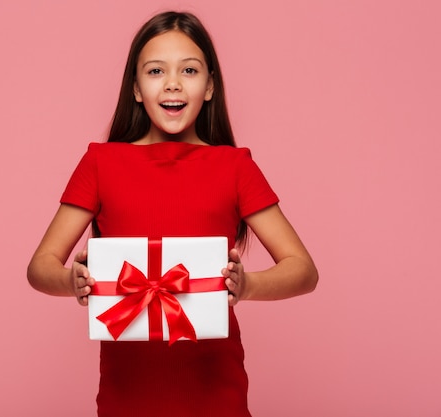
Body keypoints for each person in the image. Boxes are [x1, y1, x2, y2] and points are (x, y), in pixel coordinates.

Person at [27, 11, 318, 417]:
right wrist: (70, 280)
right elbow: (40, 266)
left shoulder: (235, 167)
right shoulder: (100, 163)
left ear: (210, 85)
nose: (173, 83)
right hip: (126, 397)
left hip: (217, 396)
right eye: (155, 70)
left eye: (190, 70)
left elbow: (303, 269)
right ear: (136, 88)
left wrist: (246, 285)